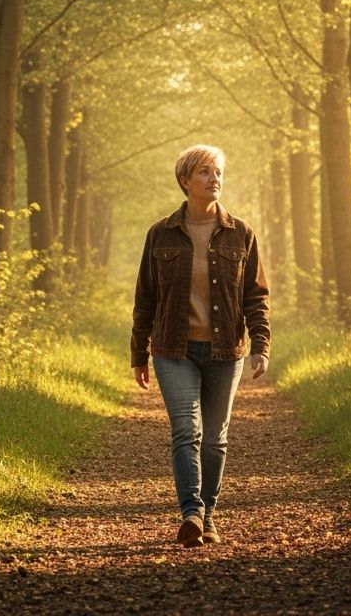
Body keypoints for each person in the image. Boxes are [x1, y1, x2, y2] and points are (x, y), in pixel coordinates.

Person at [130, 144, 271, 548]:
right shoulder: (160, 234)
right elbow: (146, 298)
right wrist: (139, 354)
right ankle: (191, 512)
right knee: (186, 431)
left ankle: (208, 515)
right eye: (205, 172)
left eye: (219, 173)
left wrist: (261, 345)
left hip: (226, 351)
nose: (214, 180)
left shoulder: (241, 233)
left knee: (215, 439)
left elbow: (255, 296)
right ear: (185, 181)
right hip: (174, 351)